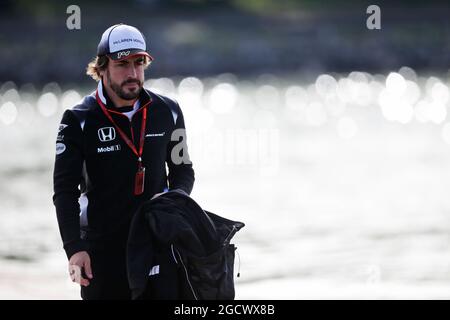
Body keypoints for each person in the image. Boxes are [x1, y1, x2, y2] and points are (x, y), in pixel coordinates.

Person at [52, 23, 195, 300]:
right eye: (122, 64)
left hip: (158, 247)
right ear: (102, 67)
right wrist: (74, 249)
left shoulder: (169, 111)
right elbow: (64, 192)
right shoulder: (78, 120)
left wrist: (171, 209)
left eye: (139, 63)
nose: (132, 73)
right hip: (102, 255)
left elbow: (183, 170)